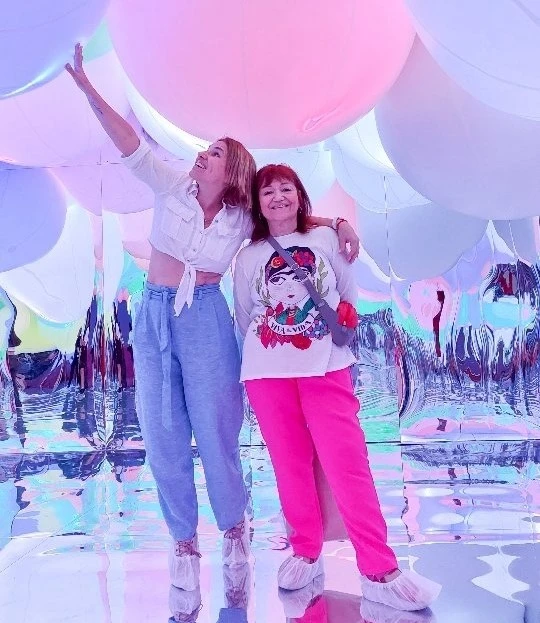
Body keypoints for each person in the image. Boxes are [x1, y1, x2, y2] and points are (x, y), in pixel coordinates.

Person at [65, 45, 360, 590]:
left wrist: (337, 223)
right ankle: (182, 541)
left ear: (233, 170)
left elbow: (288, 214)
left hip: (205, 317)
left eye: (215, 152)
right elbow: (128, 143)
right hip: (155, 315)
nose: (203, 154)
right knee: (162, 432)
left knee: (217, 428)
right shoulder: (171, 184)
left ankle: (233, 529)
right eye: (206, 149)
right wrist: (87, 89)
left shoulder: (244, 215)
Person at [233, 165, 441, 612]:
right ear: (258, 203)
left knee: (348, 465)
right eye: (267, 192)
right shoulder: (249, 257)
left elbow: (347, 295)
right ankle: (305, 551)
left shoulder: (327, 239)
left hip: (327, 366)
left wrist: (338, 222)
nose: (278, 197)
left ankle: (379, 569)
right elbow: (245, 313)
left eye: (286, 188)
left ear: (299, 194)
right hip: (266, 373)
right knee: (289, 466)